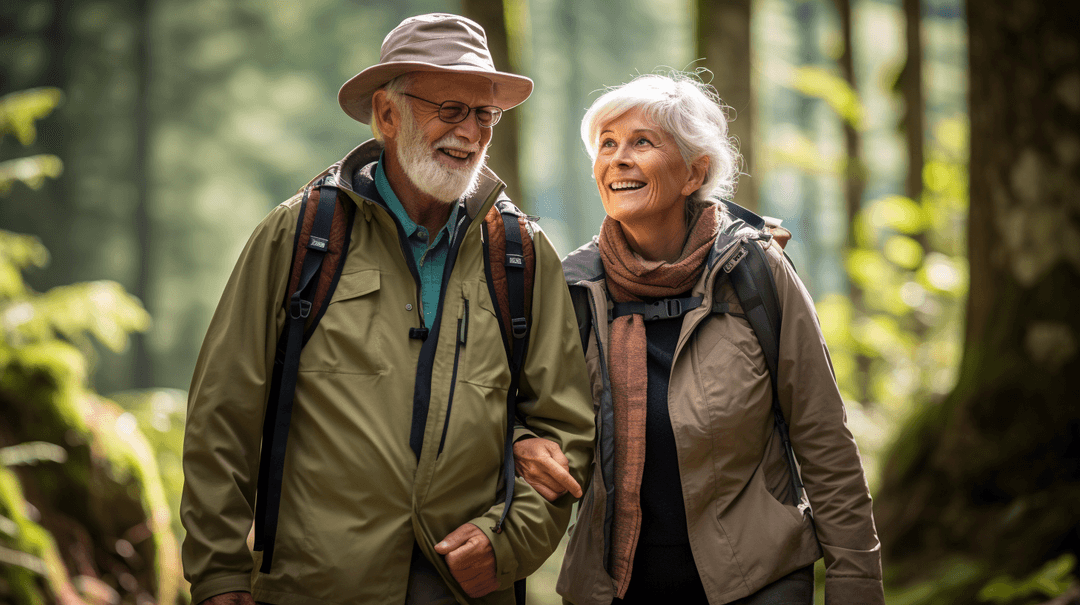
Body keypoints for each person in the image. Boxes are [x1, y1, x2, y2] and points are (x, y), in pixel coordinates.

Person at [180, 13, 594, 605]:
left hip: (465, 591)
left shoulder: (519, 253)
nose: (471, 133)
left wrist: (505, 543)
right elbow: (224, 416)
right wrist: (218, 576)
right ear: (387, 114)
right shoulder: (300, 235)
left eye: (484, 116)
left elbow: (566, 430)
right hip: (312, 590)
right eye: (450, 110)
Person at [513, 72, 885, 604]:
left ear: (695, 172)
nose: (618, 158)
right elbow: (520, 415)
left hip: (759, 583)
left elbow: (823, 440)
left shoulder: (755, 270)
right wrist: (522, 441)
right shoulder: (573, 288)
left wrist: (856, 585)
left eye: (642, 142)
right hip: (616, 589)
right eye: (607, 145)